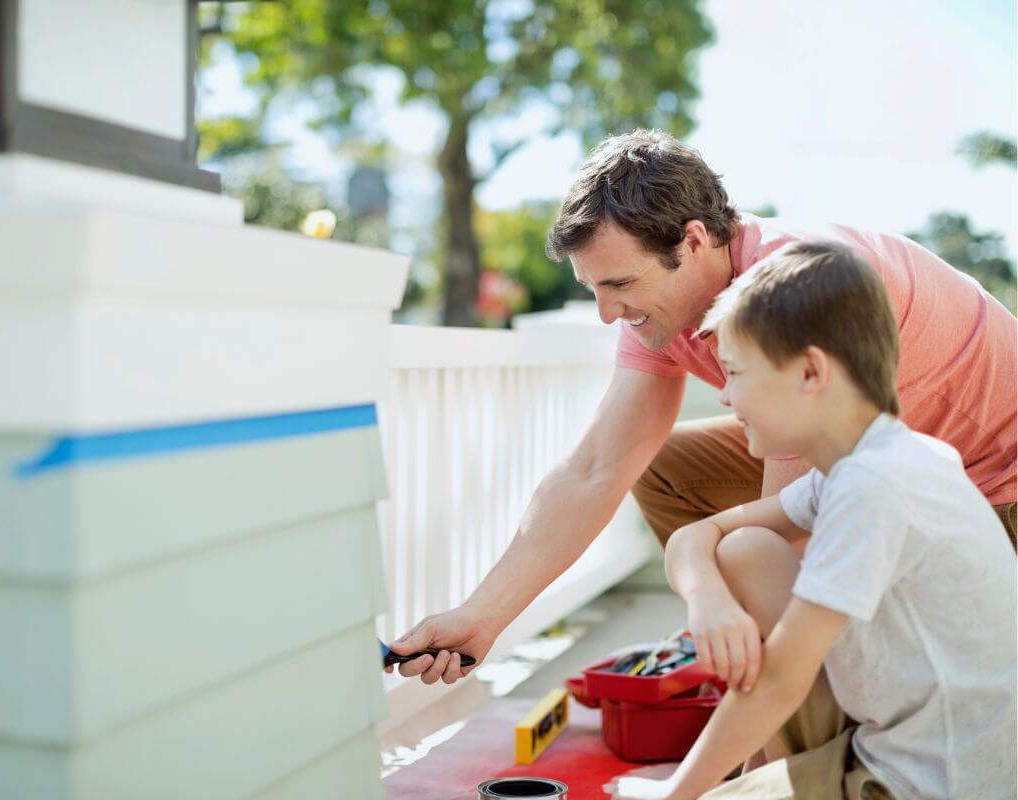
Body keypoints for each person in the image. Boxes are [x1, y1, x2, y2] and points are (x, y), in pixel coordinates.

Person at [385, 129, 1016, 688]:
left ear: (692, 241)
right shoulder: (665, 306)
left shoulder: (795, 290)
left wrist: (728, 609)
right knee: (665, 466)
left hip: (991, 494)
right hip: (876, 467)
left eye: (621, 285)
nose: (609, 314)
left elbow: (778, 538)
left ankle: (801, 715)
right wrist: (482, 616)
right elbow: (598, 467)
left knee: (756, 560)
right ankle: (753, 655)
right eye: (593, 289)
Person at [609, 241, 1016, 800]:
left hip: (930, 781)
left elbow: (779, 680)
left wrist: (676, 794)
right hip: (892, 743)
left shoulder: (876, 486)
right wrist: (708, 600)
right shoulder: (871, 462)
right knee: (746, 549)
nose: (725, 396)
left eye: (735, 371)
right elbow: (703, 534)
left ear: (809, 372)